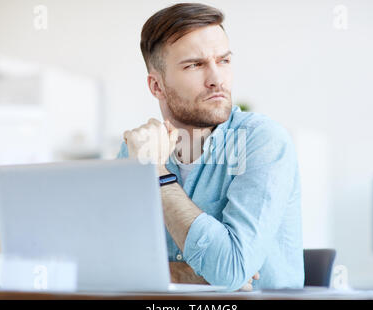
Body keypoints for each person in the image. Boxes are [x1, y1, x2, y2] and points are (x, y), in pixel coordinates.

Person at [117, 3, 304, 292]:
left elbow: (229, 270)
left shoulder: (263, 140)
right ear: (157, 87)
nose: (217, 79)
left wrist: (157, 173)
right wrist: (187, 274)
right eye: (195, 65)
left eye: (224, 61)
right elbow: (109, 265)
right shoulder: (137, 149)